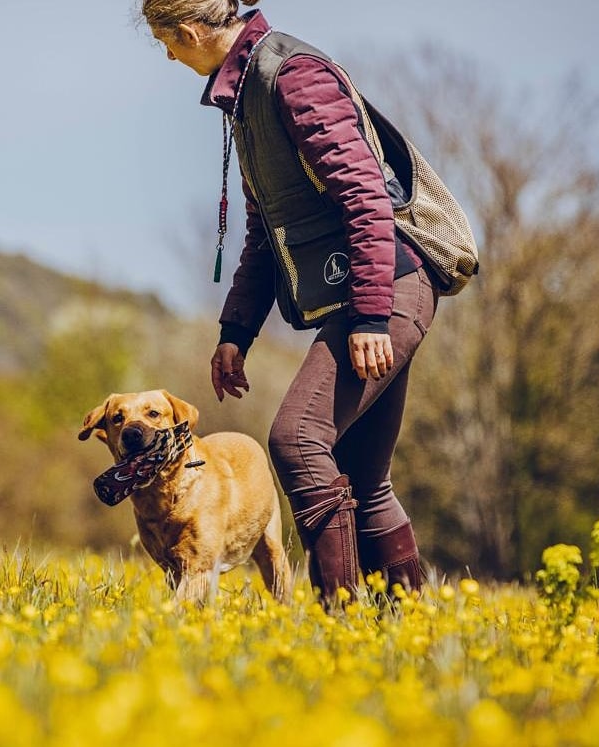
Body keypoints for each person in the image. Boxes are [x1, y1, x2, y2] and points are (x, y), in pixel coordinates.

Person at [140, 0, 438, 602]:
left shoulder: (292, 76)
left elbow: (365, 198)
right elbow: (264, 231)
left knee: (296, 438)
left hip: (389, 287)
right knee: (364, 475)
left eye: (166, 44)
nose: (170, 57)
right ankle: (408, 630)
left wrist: (371, 314)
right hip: (366, 294)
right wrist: (236, 332)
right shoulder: (246, 94)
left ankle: (340, 615)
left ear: (191, 31)